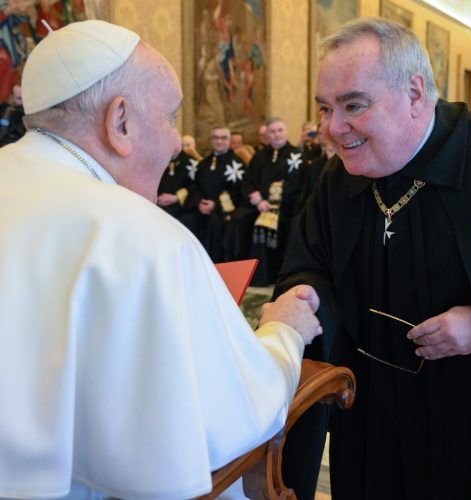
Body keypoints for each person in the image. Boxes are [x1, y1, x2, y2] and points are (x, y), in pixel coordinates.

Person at [0, 20, 323, 499]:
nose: (176, 141)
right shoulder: (141, 234)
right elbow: (235, 414)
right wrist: (284, 330)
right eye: (171, 118)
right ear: (120, 122)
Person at [274, 16, 471, 500]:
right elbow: (309, 259)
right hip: (369, 408)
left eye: (353, 105)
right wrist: (302, 295)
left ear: (415, 93)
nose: (332, 128)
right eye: (325, 108)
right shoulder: (339, 176)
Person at [225, 117, 304, 286]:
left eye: (280, 130)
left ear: (286, 131)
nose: (277, 135)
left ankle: (263, 277)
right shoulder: (260, 155)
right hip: (257, 204)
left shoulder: (297, 155)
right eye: (272, 131)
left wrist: (270, 202)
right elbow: (247, 180)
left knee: (264, 224)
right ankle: (237, 272)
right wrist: (256, 197)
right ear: (267, 135)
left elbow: (295, 185)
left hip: (283, 207)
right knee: (238, 220)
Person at [182, 126, 245, 262]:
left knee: (215, 222)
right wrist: (199, 202)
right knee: (186, 220)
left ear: (229, 140)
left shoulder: (237, 164)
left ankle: (214, 265)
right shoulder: (204, 163)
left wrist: (215, 205)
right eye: (216, 138)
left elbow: (237, 191)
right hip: (201, 208)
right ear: (211, 140)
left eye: (223, 138)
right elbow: (195, 187)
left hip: (223, 211)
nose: (219, 141)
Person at [156, 147, 199, 221]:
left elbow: (195, 186)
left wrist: (176, 198)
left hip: (179, 207)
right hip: (156, 202)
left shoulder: (192, 163)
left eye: (188, 145)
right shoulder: (159, 158)